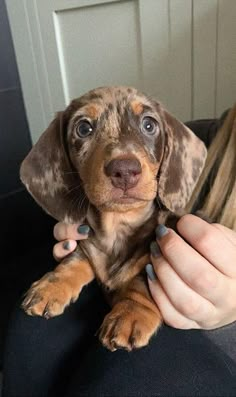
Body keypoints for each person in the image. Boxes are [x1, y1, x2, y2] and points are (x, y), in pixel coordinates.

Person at [3, 106, 236, 396]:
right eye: (85, 128)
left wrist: (228, 326)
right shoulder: (202, 134)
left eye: (148, 126)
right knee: (31, 331)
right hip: (111, 275)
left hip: (200, 335)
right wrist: (74, 231)